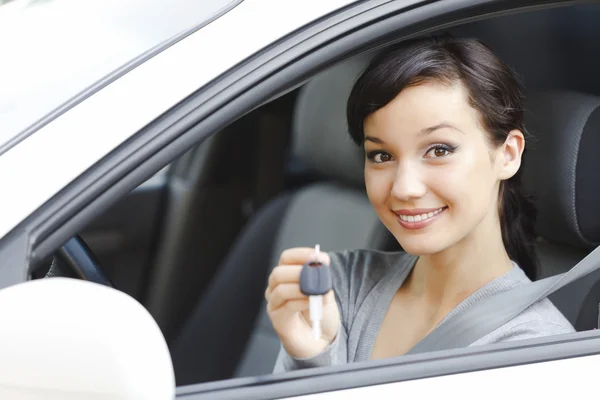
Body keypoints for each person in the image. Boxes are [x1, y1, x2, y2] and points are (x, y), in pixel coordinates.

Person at [265, 35, 574, 372]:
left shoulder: (536, 351)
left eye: (439, 150)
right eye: (382, 155)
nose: (404, 188)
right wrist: (313, 358)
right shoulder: (340, 286)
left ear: (508, 154)